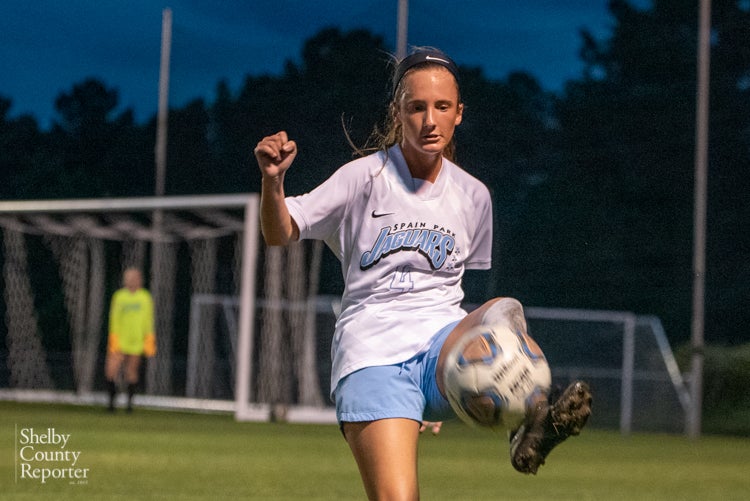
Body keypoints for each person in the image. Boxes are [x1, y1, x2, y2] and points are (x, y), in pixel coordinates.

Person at [254, 48, 592, 499]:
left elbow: (455, 291)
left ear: (458, 115)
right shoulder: (363, 178)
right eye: (416, 107)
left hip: (442, 353)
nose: (429, 120)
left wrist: (448, 386)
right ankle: (518, 417)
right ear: (398, 113)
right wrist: (273, 182)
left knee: (503, 309)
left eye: (442, 107)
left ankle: (531, 418)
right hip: (374, 355)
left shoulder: (475, 197)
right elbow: (280, 233)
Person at [104, 267, 156, 413]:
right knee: (110, 371)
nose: (133, 281)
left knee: (131, 371)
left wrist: (149, 340)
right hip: (120, 340)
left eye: (136, 278)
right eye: (130, 278)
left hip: (137, 340)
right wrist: (113, 338)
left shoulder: (145, 297)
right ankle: (111, 405)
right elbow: (114, 318)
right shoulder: (120, 296)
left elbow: (148, 320)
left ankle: (129, 405)